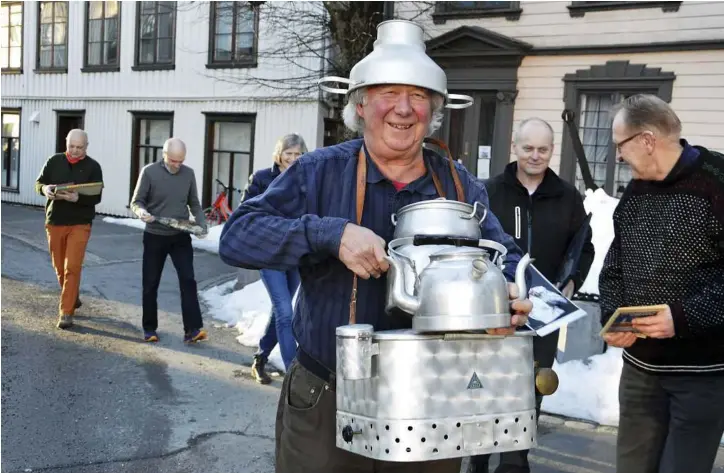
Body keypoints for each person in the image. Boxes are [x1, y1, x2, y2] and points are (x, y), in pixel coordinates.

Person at [219, 19, 533, 473]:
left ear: (435, 109)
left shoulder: (459, 185)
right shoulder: (319, 172)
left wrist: (508, 294)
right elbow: (238, 236)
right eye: (389, 93)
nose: (403, 109)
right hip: (328, 396)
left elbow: (507, 255)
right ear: (360, 105)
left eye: (419, 96)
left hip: (433, 402)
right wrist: (330, 234)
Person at [599, 94, 724, 473]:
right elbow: (614, 267)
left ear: (647, 140)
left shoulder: (717, 182)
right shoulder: (635, 192)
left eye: (620, 145)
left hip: (701, 376)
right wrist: (611, 317)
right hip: (639, 371)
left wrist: (683, 317)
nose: (618, 156)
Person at [471, 118, 595, 473]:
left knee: (530, 392)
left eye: (543, 149)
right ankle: (477, 462)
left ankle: (514, 464)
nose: (535, 156)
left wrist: (572, 281)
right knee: (483, 389)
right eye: (528, 148)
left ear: (552, 151)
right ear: (514, 146)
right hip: (492, 311)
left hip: (544, 315)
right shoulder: (488, 191)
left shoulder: (568, 196)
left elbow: (583, 248)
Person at [130, 138, 209, 344]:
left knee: (188, 280)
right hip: (155, 235)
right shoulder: (149, 172)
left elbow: (195, 203)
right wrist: (141, 212)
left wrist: (202, 225)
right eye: (173, 161)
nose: (177, 165)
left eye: (181, 161)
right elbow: (136, 201)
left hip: (180, 235)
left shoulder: (188, 174)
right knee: (150, 283)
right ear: (164, 155)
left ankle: (192, 330)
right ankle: (149, 329)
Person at [245, 133, 308, 384]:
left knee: (280, 312)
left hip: (294, 254)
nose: (292, 159)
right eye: (288, 153)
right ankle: (294, 373)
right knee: (285, 312)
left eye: (298, 154)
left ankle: (260, 358)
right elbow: (245, 211)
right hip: (269, 253)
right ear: (279, 154)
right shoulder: (262, 178)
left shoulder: (306, 179)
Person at [35, 129, 104, 329]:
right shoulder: (53, 161)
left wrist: (78, 198)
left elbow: (97, 195)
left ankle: (66, 312)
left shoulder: (93, 167)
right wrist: (45, 189)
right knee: (58, 266)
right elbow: (38, 183)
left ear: (86, 146)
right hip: (55, 220)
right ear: (66, 144)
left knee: (71, 267)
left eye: (79, 147)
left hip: (80, 222)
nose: (74, 151)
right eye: (71, 146)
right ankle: (72, 296)